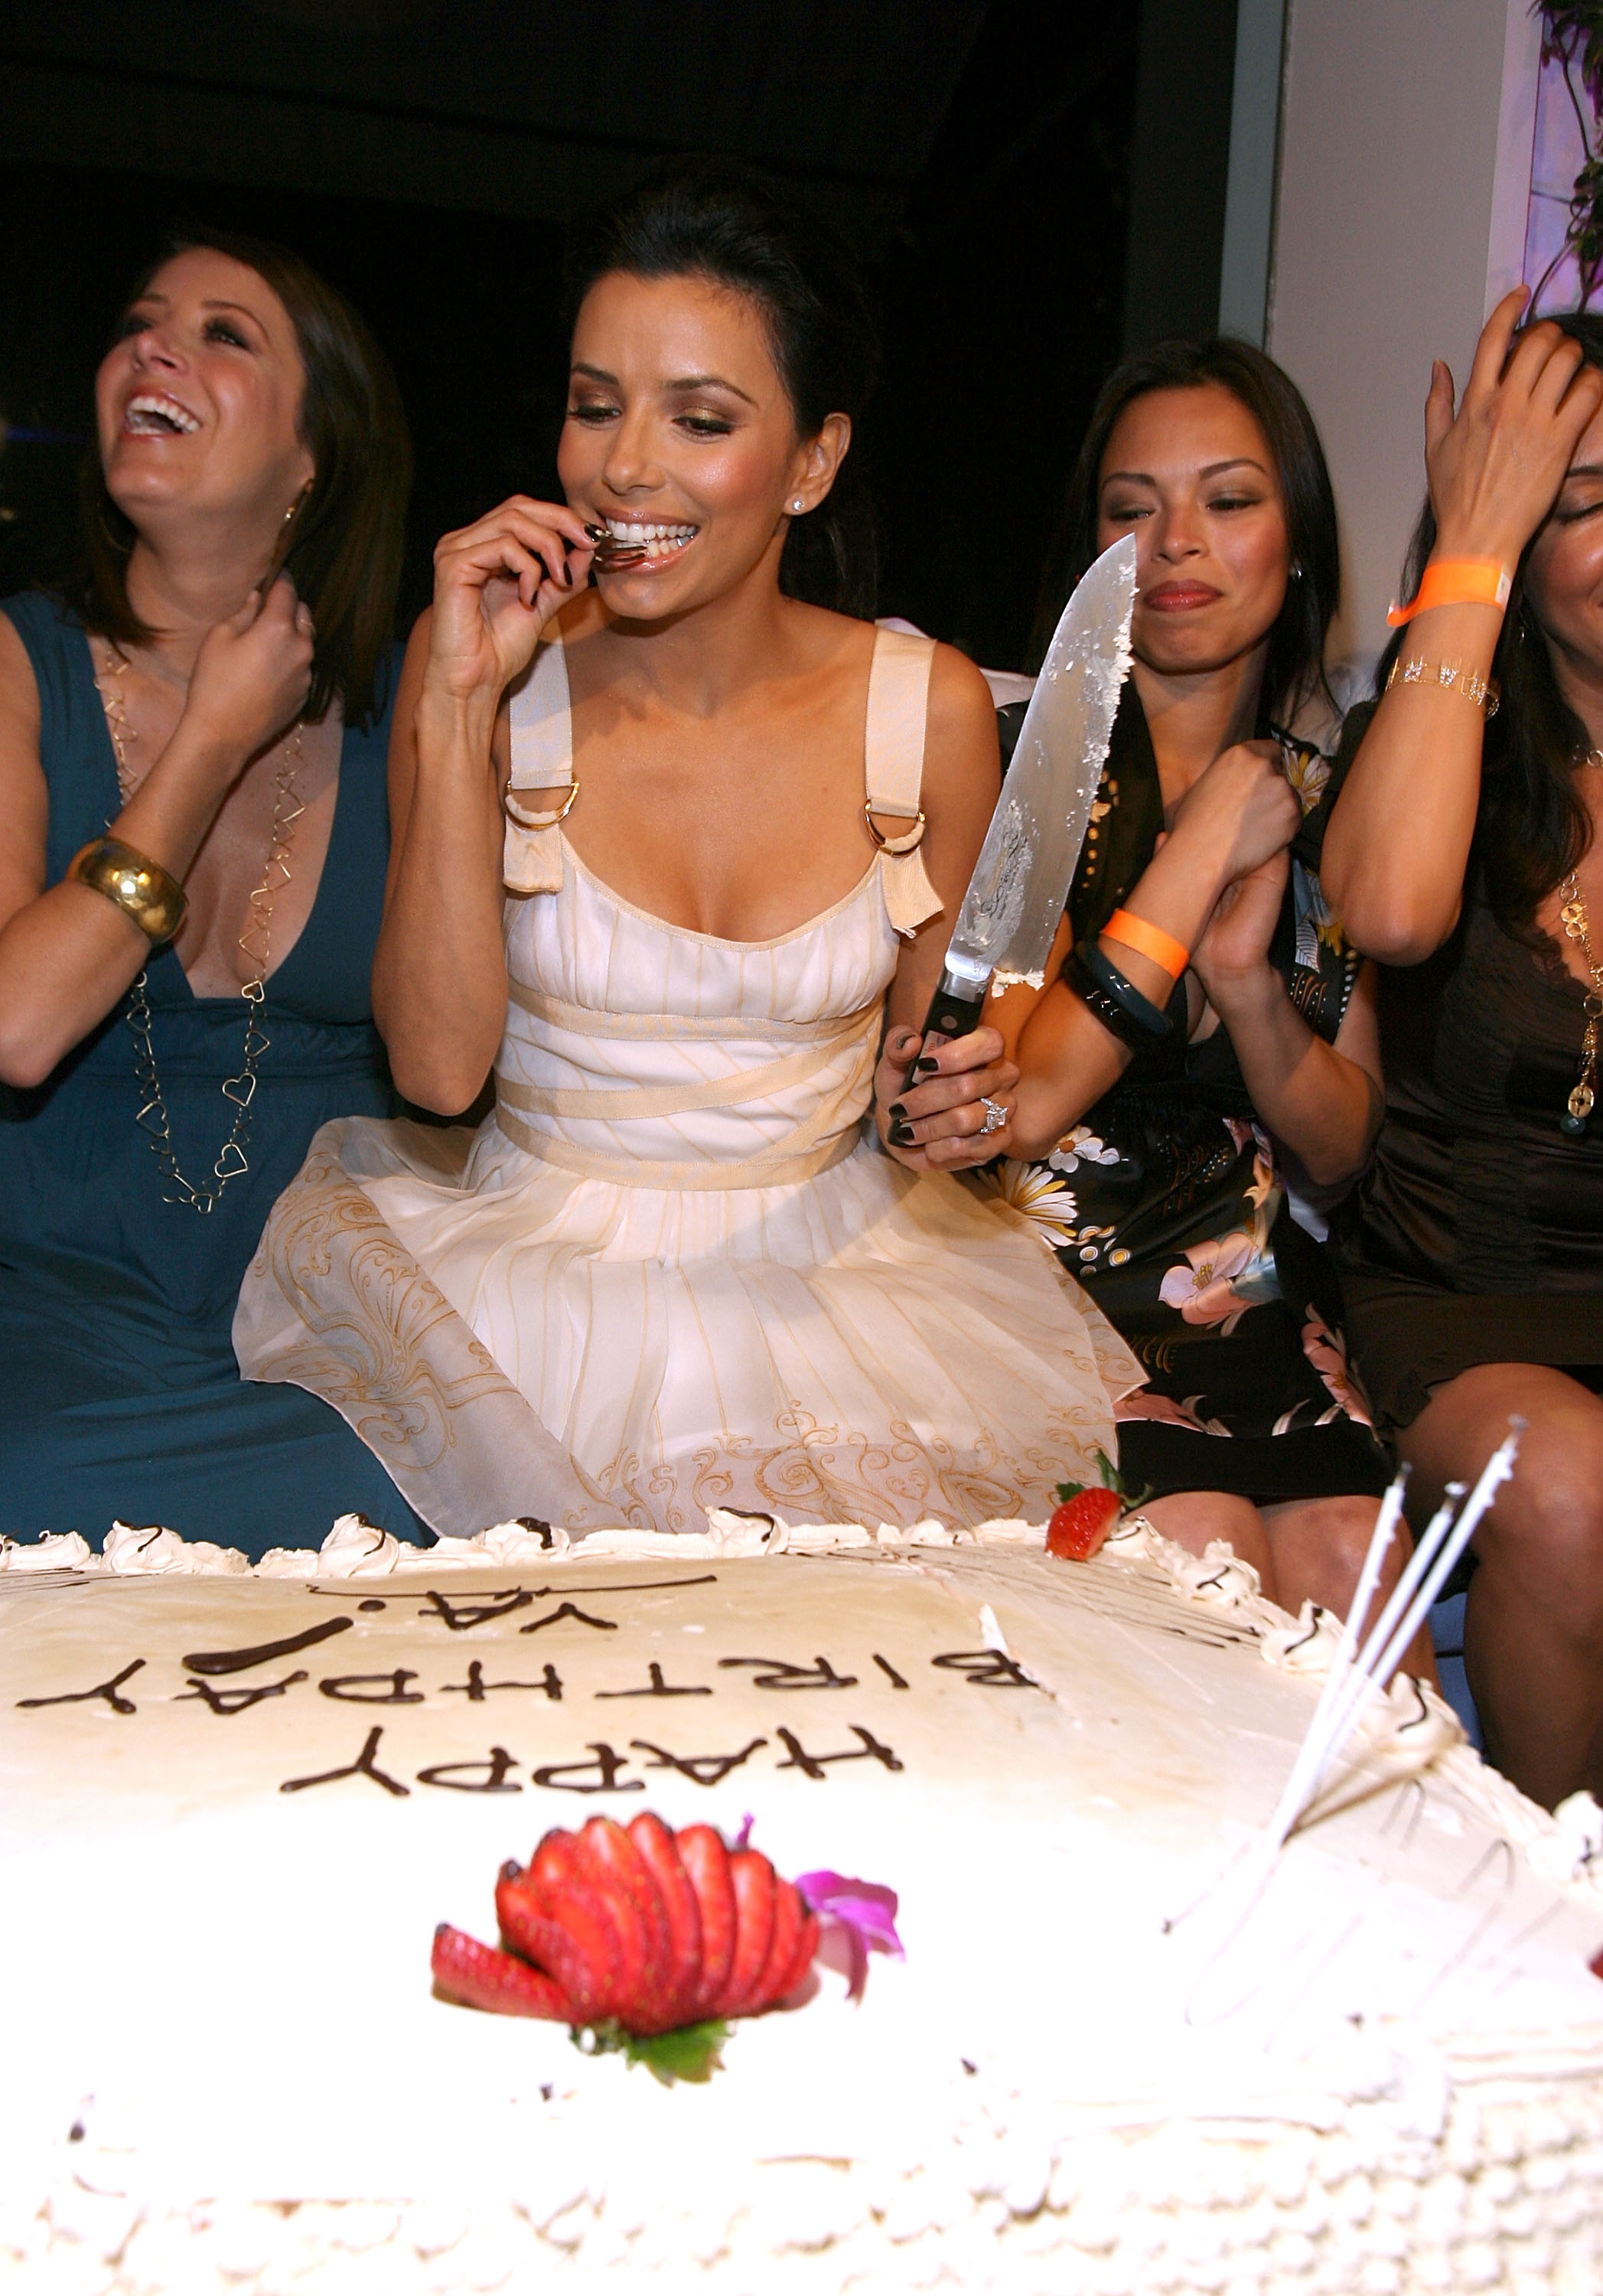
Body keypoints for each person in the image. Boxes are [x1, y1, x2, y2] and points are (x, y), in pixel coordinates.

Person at [234, 162, 1140, 1538]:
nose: (624, 466)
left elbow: (926, 1080)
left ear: (814, 462)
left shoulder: (932, 711)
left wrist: (953, 1096)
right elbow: (434, 1071)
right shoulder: (486, 673)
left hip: (845, 1291)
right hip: (532, 1286)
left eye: (699, 418)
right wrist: (455, 705)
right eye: (595, 405)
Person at [910, 338, 1427, 1648]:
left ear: (1297, 541)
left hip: (1245, 1287)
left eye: (1229, 499)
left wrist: (1248, 986)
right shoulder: (1021, 757)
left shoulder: (1333, 797)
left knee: (1365, 1578)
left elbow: (1342, 1146)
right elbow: (1016, 1103)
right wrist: (1195, 862)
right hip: (1034, 1282)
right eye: (1132, 508)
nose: (1175, 542)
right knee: (1204, 1565)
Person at [0, 228, 428, 1556]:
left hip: (330, 1298)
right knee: (35, 1477)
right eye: (141, 322)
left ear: (315, 457)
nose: (153, 348)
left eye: (223, 334)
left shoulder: (413, 699)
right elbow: (16, 1027)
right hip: (47, 1289)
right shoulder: (19, 661)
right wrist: (209, 744)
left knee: (454, 1488)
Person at [1320, 293, 1603, 1808]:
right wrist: (1471, 554)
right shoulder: (1448, 745)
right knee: (1569, 1489)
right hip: (1459, 1303)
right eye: (1584, 502)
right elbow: (1384, 908)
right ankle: (1562, 1906)